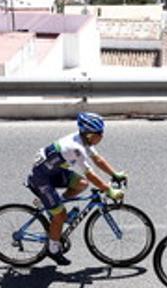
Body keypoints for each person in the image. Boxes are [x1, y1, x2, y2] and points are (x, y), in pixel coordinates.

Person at [26, 112, 126, 266]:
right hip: (42, 178)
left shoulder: (84, 140)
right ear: (90, 134)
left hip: (53, 171)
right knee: (60, 216)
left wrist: (115, 174)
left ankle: (52, 205)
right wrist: (108, 190)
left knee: (82, 184)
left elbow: (97, 160)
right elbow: (90, 174)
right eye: (100, 133)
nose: (102, 136)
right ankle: (52, 249)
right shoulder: (75, 148)